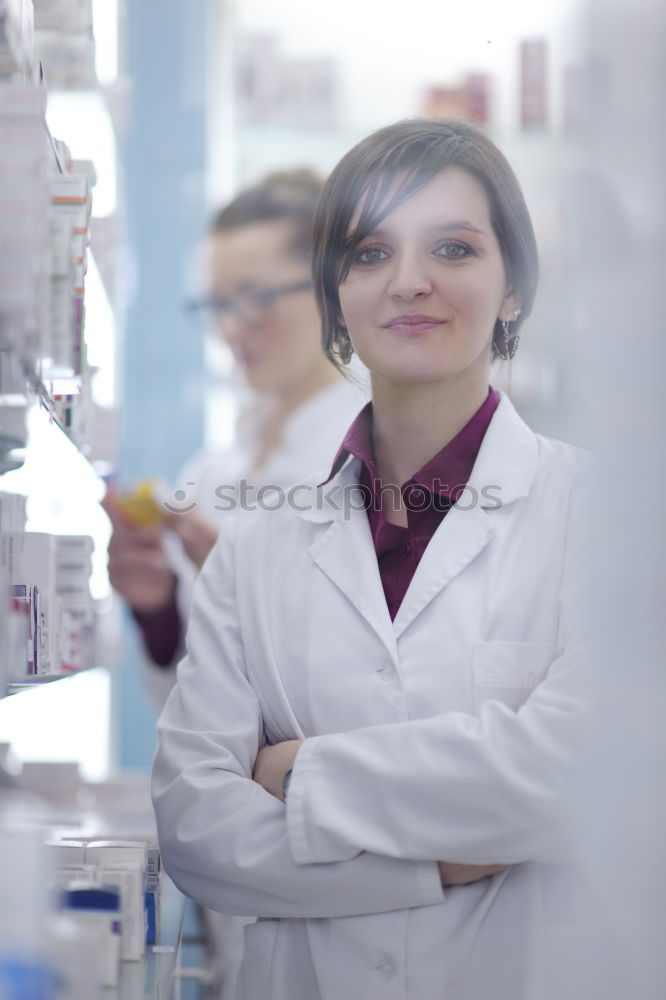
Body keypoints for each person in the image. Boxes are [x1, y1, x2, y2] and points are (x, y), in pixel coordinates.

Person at [152, 119, 589, 1000]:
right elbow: (196, 830)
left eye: (454, 248)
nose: (409, 283)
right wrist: (433, 866)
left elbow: (579, 777)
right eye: (369, 253)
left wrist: (293, 774)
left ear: (513, 288)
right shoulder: (259, 546)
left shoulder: (606, 516)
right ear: (335, 295)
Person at [103, 169, 366, 706]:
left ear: (333, 289)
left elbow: (374, 687)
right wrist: (156, 607)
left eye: (254, 298)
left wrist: (244, 588)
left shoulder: (380, 462)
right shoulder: (212, 472)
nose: (230, 328)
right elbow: (185, 702)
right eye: (216, 305)